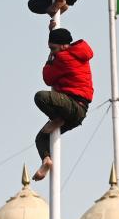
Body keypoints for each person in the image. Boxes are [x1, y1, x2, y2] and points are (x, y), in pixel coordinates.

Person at [31, 28, 94, 181]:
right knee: (41, 138)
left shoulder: (64, 58)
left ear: (64, 46)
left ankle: (57, 119)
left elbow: (48, 78)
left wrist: (49, 59)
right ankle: (46, 160)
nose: (52, 52)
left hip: (72, 104)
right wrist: (52, 28)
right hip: (77, 112)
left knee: (40, 97)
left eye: (53, 49)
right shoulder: (77, 54)